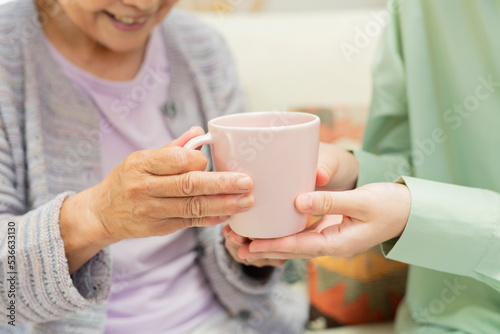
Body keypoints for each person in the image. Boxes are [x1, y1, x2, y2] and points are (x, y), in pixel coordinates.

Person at [0, 0, 307, 333]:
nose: (144, 4)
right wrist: (95, 217)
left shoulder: (202, 48)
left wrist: (250, 248)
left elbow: (237, 230)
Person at [235, 0, 500, 333]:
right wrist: (351, 171)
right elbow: (419, 164)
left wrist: (414, 214)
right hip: (439, 320)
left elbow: (415, 204)